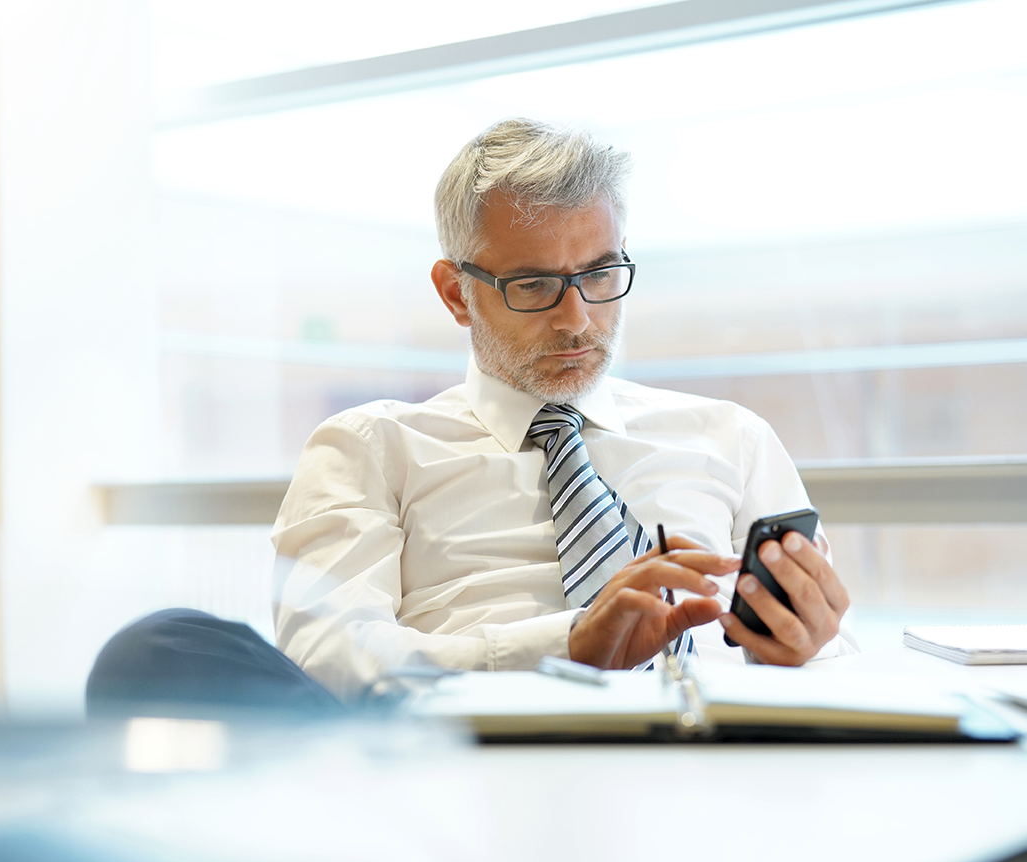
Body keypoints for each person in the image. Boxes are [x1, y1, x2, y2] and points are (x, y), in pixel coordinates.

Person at [271, 118, 855, 701]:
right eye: (531, 285)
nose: (577, 318)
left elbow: (837, 653)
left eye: (600, 273)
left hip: (712, 763)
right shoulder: (368, 448)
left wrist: (802, 642)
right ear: (456, 293)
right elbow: (329, 656)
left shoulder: (731, 438)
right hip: (474, 770)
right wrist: (566, 646)